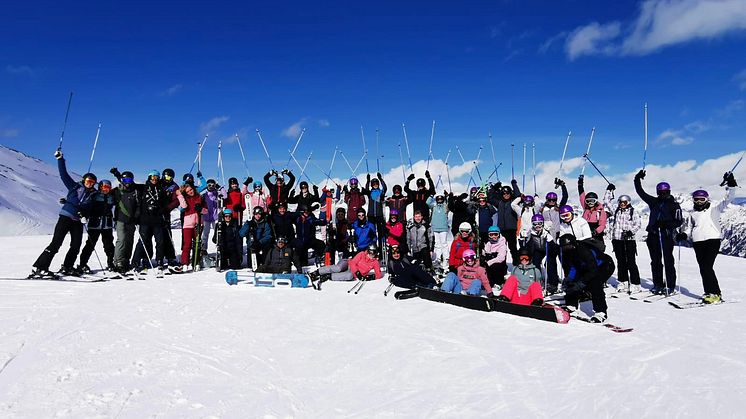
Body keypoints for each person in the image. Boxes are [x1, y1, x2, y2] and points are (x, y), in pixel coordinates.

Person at [30, 150, 98, 278]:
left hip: (77, 221)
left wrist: (85, 217)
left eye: (92, 182)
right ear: (84, 180)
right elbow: (63, 174)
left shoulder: (93, 195)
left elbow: (88, 209)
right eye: (88, 181)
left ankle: (67, 266)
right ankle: (40, 267)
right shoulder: (74, 187)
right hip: (66, 217)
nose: (90, 184)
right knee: (56, 244)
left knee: (76, 246)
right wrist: (60, 159)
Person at [679, 172, 737, 304]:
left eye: (702, 199)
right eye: (696, 199)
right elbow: (689, 228)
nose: (699, 202)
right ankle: (708, 292)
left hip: (713, 240)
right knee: (703, 268)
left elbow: (729, 198)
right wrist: (684, 234)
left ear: (707, 199)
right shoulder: (692, 213)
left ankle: (716, 293)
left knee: (707, 267)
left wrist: (731, 184)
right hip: (698, 242)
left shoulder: (715, 209)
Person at [634, 170, 683, 295]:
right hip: (653, 235)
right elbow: (640, 192)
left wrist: (667, 224)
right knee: (655, 261)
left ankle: (670, 285)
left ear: (669, 192)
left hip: (666, 235)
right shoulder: (654, 202)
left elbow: (678, 221)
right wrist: (637, 178)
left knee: (668, 261)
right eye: (661, 192)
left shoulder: (674, 205)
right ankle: (658, 284)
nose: (663, 194)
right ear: (657, 192)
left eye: (665, 192)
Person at [559, 234, 614, 323]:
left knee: (595, 284)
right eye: (564, 247)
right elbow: (574, 266)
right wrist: (569, 278)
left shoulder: (583, 251)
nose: (566, 249)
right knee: (572, 282)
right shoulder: (568, 252)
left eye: (568, 246)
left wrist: (581, 283)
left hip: (605, 266)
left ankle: (601, 312)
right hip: (587, 267)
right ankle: (571, 305)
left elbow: (593, 270)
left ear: (573, 244)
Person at [130, 170, 171, 273]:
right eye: (152, 177)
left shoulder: (161, 190)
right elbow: (131, 185)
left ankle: (160, 260)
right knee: (143, 242)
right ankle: (135, 262)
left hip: (157, 220)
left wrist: (166, 218)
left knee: (160, 242)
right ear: (149, 178)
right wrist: (118, 175)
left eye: (156, 178)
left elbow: (165, 205)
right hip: (145, 220)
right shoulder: (143, 188)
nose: (154, 179)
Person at [77, 179, 116, 273]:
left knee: (109, 245)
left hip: (107, 225)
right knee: (90, 245)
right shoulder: (94, 195)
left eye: (108, 187)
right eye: (104, 187)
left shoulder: (112, 197)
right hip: (94, 225)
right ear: (100, 187)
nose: (106, 189)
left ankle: (111, 263)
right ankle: (82, 264)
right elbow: (83, 202)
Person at [608, 194, 642, 293]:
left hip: (629, 240)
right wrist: (609, 191)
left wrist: (631, 231)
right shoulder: (616, 211)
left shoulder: (633, 211)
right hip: (617, 239)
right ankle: (623, 281)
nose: (622, 204)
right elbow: (607, 202)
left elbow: (638, 224)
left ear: (628, 203)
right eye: (620, 202)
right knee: (621, 262)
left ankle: (635, 283)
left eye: (624, 202)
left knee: (631, 262)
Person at [540, 179, 569, 294]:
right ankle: (553, 282)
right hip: (549, 238)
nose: (552, 201)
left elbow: (565, 197)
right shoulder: (542, 210)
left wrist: (563, 185)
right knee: (550, 262)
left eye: (554, 200)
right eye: (550, 200)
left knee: (564, 260)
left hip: (559, 237)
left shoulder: (559, 208)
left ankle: (569, 280)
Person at [109, 169, 140, 273]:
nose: (128, 182)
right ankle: (118, 261)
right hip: (120, 220)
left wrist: (136, 216)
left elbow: (138, 206)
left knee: (129, 241)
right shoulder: (116, 191)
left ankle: (126, 260)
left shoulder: (135, 190)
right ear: (122, 180)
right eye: (125, 180)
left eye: (130, 180)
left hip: (132, 220)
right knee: (121, 240)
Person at [174, 182, 207, 272]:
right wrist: (180, 195)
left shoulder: (200, 197)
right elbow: (183, 206)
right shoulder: (185, 198)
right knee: (187, 244)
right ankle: (185, 263)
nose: (190, 192)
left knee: (197, 244)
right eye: (188, 191)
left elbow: (206, 211)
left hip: (199, 223)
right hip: (188, 224)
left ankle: (196, 262)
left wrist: (201, 209)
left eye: (191, 190)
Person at [309, 246, 383, 284]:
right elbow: (353, 262)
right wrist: (357, 272)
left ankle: (328, 276)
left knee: (349, 276)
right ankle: (316, 272)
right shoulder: (362, 254)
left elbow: (378, 275)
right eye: (370, 252)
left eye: (373, 253)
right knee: (338, 268)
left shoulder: (375, 262)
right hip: (348, 264)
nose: (371, 255)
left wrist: (370, 277)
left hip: (352, 273)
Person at [490, 180, 520, 264]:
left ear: (510, 193)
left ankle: (516, 264)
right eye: (504, 193)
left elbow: (518, 195)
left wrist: (514, 184)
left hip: (511, 229)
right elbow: (490, 198)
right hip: (502, 230)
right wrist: (494, 188)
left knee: (513, 248)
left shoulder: (513, 203)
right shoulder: (499, 203)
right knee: (502, 249)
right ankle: (502, 266)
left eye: (508, 193)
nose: (506, 195)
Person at [578, 175, 608, 241]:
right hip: (585, 233)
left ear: (596, 201)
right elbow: (582, 196)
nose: (590, 203)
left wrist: (595, 231)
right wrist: (580, 184)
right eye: (588, 201)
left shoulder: (600, 212)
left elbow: (602, 225)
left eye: (592, 201)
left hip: (596, 235)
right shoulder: (586, 208)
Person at [362, 172, 388, 248]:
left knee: (380, 233)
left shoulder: (380, 192)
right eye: (373, 184)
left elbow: (385, 188)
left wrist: (380, 179)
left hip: (379, 216)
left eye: (376, 183)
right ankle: (373, 248)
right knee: (372, 233)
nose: (375, 185)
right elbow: (366, 189)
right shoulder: (370, 193)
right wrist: (368, 181)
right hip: (371, 216)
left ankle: (380, 249)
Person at [429, 193, 450, 269]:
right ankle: (437, 259)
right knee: (437, 244)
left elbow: (449, 204)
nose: (440, 200)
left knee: (444, 244)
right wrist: (432, 196)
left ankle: (446, 259)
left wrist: (448, 196)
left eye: (441, 199)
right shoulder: (434, 206)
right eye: (438, 199)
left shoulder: (445, 206)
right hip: (435, 228)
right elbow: (427, 203)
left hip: (443, 228)